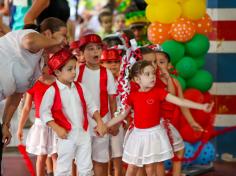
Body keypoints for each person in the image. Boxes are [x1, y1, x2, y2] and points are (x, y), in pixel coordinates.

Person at [106, 60, 214, 176]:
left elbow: (180, 101)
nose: (152, 77)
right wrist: (105, 125)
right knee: (132, 166)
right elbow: (122, 115)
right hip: (137, 136)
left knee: (150, 168)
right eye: (147, 74)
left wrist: (201, 106)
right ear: (137, 79)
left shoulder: (159, 92)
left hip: (154, 135)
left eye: (153, 73)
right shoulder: (133, 96)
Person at [0, 17, 67, 172]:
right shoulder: (29, 34)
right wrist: (55, 41)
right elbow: (30, 41)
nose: (65, 42)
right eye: (63, 35)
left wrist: (6, 124)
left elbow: (17, 95)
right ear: (48, 33)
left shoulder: (39, 63)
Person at [40, 48, 107, 176]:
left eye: (74, 68)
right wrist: (57, 128)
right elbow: (44, 113)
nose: (74, 72)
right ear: (58, 72)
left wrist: (99, 122)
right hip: (66, 135)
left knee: (86, 167)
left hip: (83, 133)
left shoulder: (80, 87)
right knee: (64, 168)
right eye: (69, 69)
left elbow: (91, 106)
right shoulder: (52, 91)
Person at [155, 51, 204, 176]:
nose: (159, 65)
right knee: (157, 156)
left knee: (179, 151)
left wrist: (192, 122)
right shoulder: (152, 82)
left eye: (162, 62)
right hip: (156, 123)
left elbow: (182, 103)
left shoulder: (175, 82)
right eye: (155, 62)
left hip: (170, 122)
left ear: (169, 65)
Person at [75, 33, 118, 176]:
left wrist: (114, 122)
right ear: (82, 53)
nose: (95, 51)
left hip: (103, 121)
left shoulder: (107, 73)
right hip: (81, 122)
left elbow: (112, 100)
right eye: (90, 48)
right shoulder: (77, 71)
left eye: (98, 48)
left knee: (101, 159)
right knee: (82, 159)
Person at [17, 63, 56, 176]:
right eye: (37, 66)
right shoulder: (33, 84)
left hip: (56, 124)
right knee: (41, 155)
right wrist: (19, 128)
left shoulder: (58, 82)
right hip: (41, 125)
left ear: (50, 66)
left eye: (44, 65)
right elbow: (26, 108)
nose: (40, 69)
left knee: (56, 155)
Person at [101, 49, 124, 176]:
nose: (113, 65)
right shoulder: (99, 80)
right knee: (103, 154)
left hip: (118, 121)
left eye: (116, 61)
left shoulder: (124, 81)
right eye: (109, 62)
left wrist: (122, 121)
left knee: (117, 153)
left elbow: (126, 104)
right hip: (102, 120)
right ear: (101, 64)